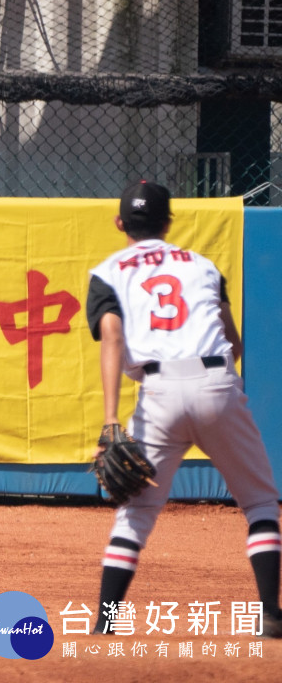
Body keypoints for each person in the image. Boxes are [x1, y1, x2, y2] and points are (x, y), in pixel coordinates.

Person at [86, 180, 282, 637]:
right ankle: (270, 616)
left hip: (158, 393)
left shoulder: (107, 272)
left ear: (120, 224)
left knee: (136, 515)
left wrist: (112, 419)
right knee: (259, 502)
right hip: (216, 379)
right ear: (168, 222)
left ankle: (105, 623)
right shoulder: (204, 266)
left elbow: (113, 338)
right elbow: (232, 341)